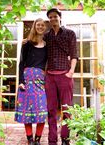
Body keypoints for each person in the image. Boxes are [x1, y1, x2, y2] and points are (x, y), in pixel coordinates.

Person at [44, 8, 78, 145]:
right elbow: (37, 45)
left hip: (65, 75)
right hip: (50, 76)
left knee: (66, 109)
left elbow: (74, 54)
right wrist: (25, 41)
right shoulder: (47, 36)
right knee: (51, 110)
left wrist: (71, 72)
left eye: (55, 16)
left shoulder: (70, 33)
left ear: (60, 17)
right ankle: (52, 140)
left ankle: (65, 138)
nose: (53, 19)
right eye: (50, 17)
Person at [15, 18, 48, 145]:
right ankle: (30, 139)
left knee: (42, 109)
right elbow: (21, 63)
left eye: (42, 25)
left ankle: (38, 139)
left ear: (45, 28)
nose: (40, 27)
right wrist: (21, 81)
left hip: (41, 80)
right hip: (27, 78)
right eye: (38, 25)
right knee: (26, 110)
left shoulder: (47, 45)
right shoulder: (27, 44)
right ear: (34, 27)